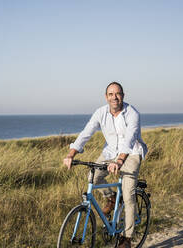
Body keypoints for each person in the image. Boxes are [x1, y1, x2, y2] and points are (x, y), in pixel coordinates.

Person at [63, 82, 148, 248]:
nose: (114, 97)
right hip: (110, 152)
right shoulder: (100, 113)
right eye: (111, 94)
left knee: (129, 195)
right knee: (93, 178)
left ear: (123, 95)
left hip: (131, 153)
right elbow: (85, 133)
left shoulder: (132, 113)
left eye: (117, 94)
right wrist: (71, 154)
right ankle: (112, 197)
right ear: (106, 96)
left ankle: (126, 238)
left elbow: (130, 140)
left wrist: (120, 160)